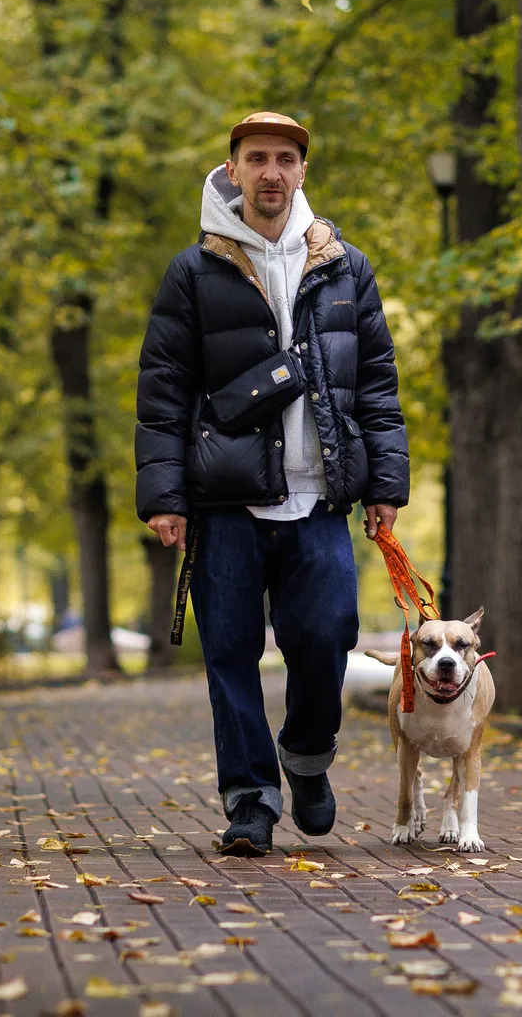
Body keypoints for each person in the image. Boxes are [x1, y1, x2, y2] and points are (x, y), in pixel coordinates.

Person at [135, 111, 410, 856]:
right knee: (229, 655)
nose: (271, 172)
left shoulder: (345, 267)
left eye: (285, 159)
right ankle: (250, 799)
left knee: (327, 636)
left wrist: (385, 484)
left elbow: (376, 383)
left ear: (302, 171)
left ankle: (307, 757)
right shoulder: (194, 270)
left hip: (319, 496)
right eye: (256, 158)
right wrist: (164, 496)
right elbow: (163, 389)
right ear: (232, 170)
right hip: (224, 500)